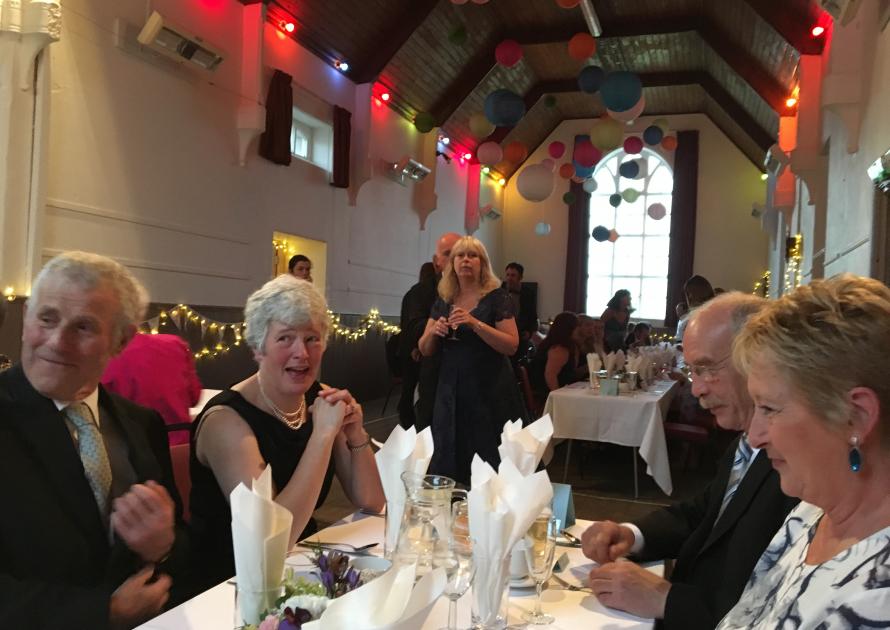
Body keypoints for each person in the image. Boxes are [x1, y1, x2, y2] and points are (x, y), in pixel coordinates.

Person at [582, 292, 798, 630]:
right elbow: (703, 512)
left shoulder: (801, 467)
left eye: (706, 369)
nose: (695, 389)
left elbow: (774, 606)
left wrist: (667, 599)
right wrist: (631, 533)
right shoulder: (747, 442)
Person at [0, 251, 189, 629]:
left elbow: (178, 545)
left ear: (121, 341)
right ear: (25, 320)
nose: (57, 342)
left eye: (83, 327)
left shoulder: (141, 424)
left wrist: (162, 546)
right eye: (46, 318)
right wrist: (103, 612)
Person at [188, 275, 385, 589]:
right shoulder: (226, 421)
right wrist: (322, 435)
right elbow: (270, 540)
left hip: (300, 565)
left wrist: (356, 434)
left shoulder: (320, 401)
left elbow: (372, 501)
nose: (302, 353)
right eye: (285, 338)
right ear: (258, 347)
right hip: (231, 583)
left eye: (312, 338)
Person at [716, 275, 890, 628]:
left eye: (769, 408)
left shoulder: (878, 597)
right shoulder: (810, 513)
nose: (754, 437)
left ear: (855, 417)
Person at [418, 236, 526, 484]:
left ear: (483, 264)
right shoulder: (444, 300)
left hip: (488, 388)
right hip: (450, 390)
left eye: (473, 255)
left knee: (487, 453)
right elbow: (424, 348)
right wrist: (434, 333)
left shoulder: (497, 298)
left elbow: (511, 345)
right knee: (451, 450)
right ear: (452, 263)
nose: (466, 260)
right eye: (460, 255)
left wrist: (475, 323)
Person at [397, 232, 461, 430]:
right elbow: (412, 331)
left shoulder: (474, 292)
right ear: (437, 261)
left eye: (459, 253)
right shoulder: (420, 292)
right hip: (431, 376)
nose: (455, 259)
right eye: (448, 253)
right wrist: (440, 326)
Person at [102, 332, 202, 445]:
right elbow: (194, 397)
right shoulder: (174, 343)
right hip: (181, 444)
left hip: (134, 448)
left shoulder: (102, 356)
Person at [529, 312, 578, 399]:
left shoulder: (553, 342)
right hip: (546, 393)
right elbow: (550, 376)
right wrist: (558, 398)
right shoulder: (559, 348)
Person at [502, 262, 538, 363]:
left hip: (520, 335)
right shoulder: (499, 290)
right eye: (507, 275)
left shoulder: (528, 293)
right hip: (502, 334)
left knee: (518, 364)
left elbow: (532, 315)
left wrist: (529, 332)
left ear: (520, 277)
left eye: (513, 275)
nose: (509, 278)